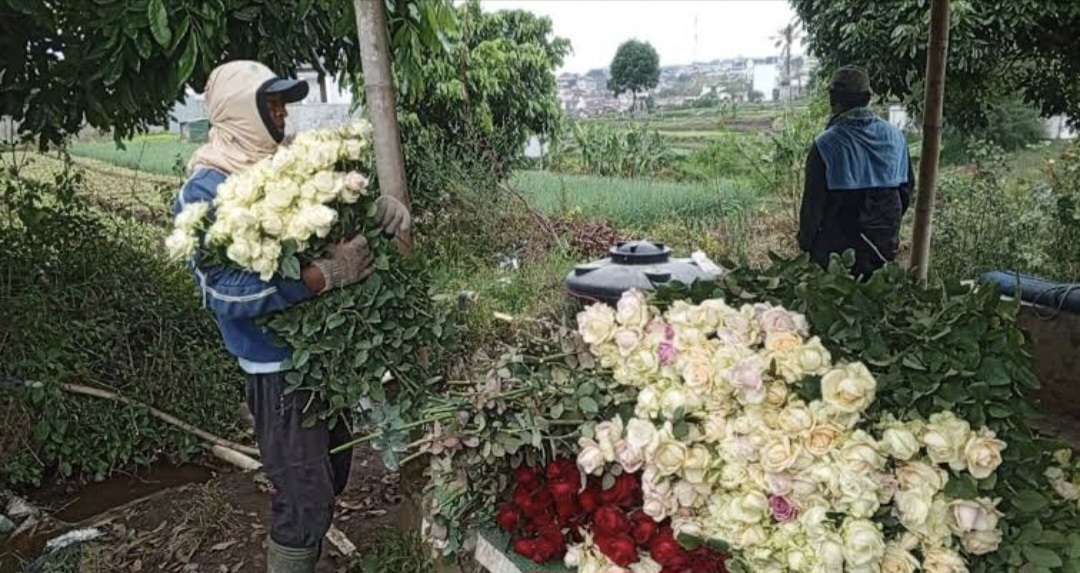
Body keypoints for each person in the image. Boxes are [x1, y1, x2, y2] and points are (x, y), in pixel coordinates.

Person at [172, 60, 411, 573]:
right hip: (277, 370)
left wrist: (377, 215)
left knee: (333, 472)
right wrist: (318, 278)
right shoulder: (206, 190)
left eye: (283, 104)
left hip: (322, 358)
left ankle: (307, 552)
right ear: (240, 111)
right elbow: (221, 290)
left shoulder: (290, 166)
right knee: (305, 498)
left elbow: (336, 230)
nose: (282, 114)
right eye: (271, 104)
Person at [798, 65, 914, 278]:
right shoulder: (896, 137)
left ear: (833, 98)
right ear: (868, 98)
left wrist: (806, 245)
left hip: (838, 251)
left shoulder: (825, 145)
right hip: (882, 242)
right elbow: (906, 192)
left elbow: (812, 208)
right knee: (878, 293)